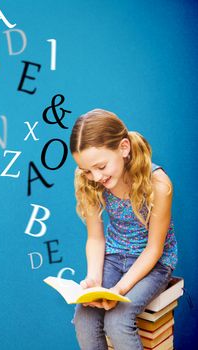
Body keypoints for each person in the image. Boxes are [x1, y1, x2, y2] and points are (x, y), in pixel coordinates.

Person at [69, 109, 177, 350]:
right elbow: (96, 239)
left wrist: (119, 289)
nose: (95, 177)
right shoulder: (89, 180)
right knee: (84, 319)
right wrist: (95, 279)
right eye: (87, 170)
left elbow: (154, 249)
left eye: (100, 166)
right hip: (115, 257)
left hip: (154, 262)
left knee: (118, 321)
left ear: (124, 148)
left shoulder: (159, 185)